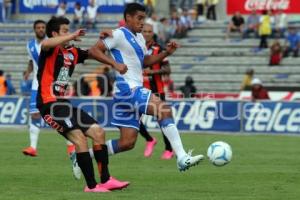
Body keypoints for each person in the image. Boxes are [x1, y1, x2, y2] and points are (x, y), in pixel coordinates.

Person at [89, 3, 204, 172]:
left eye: (144, 18)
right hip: (128, 88)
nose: (143, 22)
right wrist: (115, 64)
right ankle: (181, 156)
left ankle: (83, 155)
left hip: (126, 92)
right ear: (128, 17)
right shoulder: (118, 34)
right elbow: (93, 51)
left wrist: (166, 53)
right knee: (163, 109)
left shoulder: (140, 38)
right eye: (139, 18)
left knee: (127, 143)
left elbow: (144, 62)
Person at [37, 16, 129, 192]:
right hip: (48, 104)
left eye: (68, 31)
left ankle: (106, 180)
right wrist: (71, 35)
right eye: (64, 31)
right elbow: (46, 44)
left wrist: (108, 44)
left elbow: (93, 52)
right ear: (56, 33)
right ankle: (91, 186)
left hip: (63, 104)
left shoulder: (72, 52)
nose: (69, 34)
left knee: (98, 132)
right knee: (79, 138)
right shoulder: (50, 49)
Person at [21, 20, 82, 180]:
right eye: (38, 28)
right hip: (37, 85)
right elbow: (31, 62)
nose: (40, 30)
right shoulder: (30, 45)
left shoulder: (55, 46)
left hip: (51, 88)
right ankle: (33, 147)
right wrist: (27, 71)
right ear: (34, 30)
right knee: (36, 115)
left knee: (60, 120)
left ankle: (72, 149)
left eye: (42, 27)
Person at [141, 23, 174, 159]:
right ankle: (150, 140)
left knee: (162, 121)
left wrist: (152, 71)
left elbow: (167, 69)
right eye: (145, 31)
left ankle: (169, 149)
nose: (147, 33)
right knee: (133, 118)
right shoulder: (136, 47)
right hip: (140, 90)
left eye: (150, 31)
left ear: (153, 33)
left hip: (157, 91)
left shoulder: (159, 49)